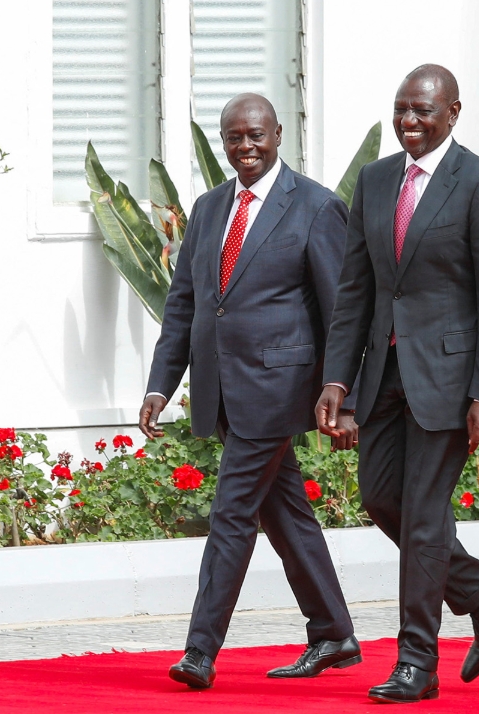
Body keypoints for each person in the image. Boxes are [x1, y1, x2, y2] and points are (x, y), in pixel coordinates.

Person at [315, 65, 479, 704]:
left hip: (451, 381)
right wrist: (338, 379)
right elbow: (355, 289)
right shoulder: (377, 182)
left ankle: (417, 661)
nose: (409, 122)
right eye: (401, 109)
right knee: (384, 500)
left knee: (426, 518)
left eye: (423, 112)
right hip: (382, 378)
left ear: (454, 113)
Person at [141, 93, 360, 690]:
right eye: (234, 137)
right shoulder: (210, 208)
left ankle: (200, 650)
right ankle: (334, 633)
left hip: (279, 388)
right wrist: (163, 384)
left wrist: (348, 398)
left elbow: (342, 313)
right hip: (222, 390)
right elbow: (184, 304)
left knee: (231, 512)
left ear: (278, 133)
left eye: (256, 135)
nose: (246, 146)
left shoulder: (315, 207)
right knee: (285, 512)